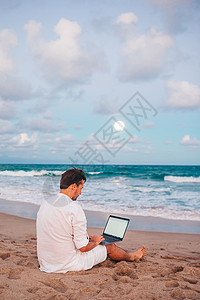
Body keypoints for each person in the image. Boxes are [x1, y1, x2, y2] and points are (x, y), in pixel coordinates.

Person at [36, 167, 146, 273]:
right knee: (109, 246)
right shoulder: (74, 208)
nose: (80, 193)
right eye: (80, 188)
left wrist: (86, 236)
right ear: (74, 186)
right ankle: (132, 256)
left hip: (46, 262)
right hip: (66, 264)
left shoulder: (47, 202)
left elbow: (60, 229)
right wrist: (95, 242)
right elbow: (83, 248)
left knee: (91, 240)